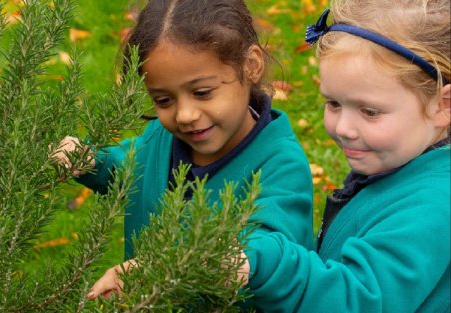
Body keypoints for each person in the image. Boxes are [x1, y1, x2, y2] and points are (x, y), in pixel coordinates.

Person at [52, 0, 313, 308]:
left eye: (202, 92)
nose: (185, 114)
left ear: (250, 66)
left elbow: (265, 248)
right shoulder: (162, 139)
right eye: (163, 100)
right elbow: (132, 169)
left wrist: (157, 268)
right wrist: (92, 162)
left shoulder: (281, 166)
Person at [233, 0, 450, 311]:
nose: (344, 128)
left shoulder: (434, 206)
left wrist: (266, 263)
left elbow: (359, 299)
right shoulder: (398, 168)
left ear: (443, 106)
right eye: (333, 103)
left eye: (370, 111)